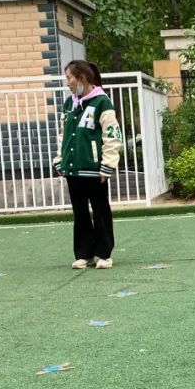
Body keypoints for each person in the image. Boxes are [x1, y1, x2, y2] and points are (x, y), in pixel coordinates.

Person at [52, 60, 122, 269]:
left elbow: (112, 135)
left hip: (94, 169)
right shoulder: (69, 104)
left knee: (100, 209)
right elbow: (63, 136)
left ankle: (104, 254)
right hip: (73, 168)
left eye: (69, 78)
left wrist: (107, 164)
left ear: (81, 78)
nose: (68, 83)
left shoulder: (102, 102)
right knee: (79, 211)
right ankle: (84, 254)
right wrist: (60, 159)